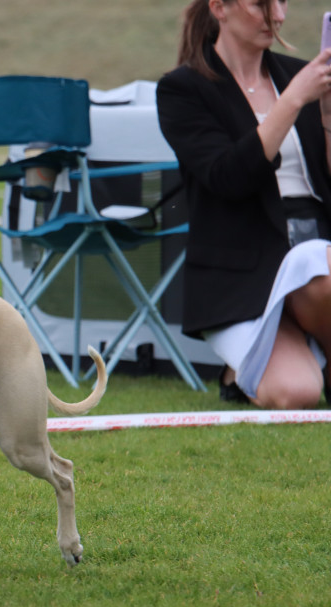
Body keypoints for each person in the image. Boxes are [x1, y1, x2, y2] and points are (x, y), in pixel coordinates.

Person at [157, 0, 331, 408]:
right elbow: (226, 177)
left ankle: (313, 344)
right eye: (261, 3)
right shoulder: (183, 89)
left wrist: (325, 110)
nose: (279, 16)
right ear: (219, 6)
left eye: (282, 2)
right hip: (241, 275)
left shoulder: (302, 76)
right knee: (297, 393)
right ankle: (280, 358)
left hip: (316, 252)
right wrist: (291, 101)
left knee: (317, 268)